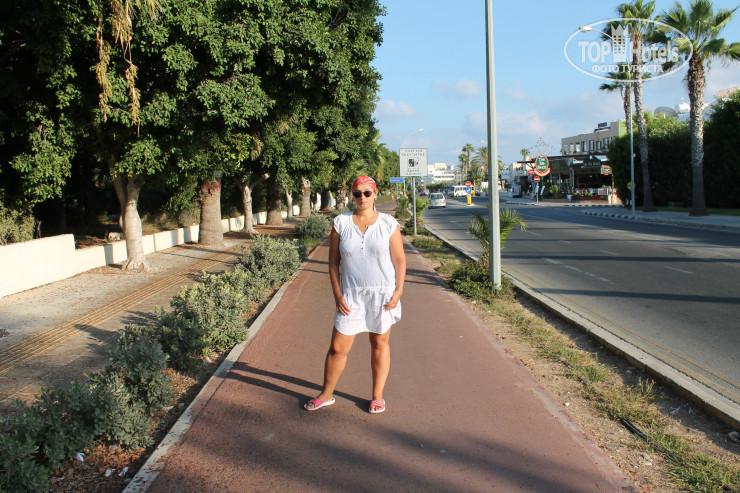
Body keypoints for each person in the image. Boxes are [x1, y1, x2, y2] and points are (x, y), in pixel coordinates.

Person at [304, 176, 406, 414]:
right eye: (357, 193)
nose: (362, 197)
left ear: (375, 194)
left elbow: (400, 259)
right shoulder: (341, 223)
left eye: (367, 193)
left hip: (382, 295)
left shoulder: (388, 224)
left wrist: (398, 290)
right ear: (352, 195)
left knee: (379, 344)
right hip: (351, 295)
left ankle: (377, 396)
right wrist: (337, 294)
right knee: (338, 348)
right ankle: (326, 394)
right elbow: (333, 262)